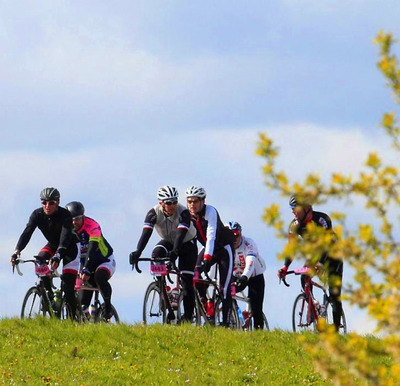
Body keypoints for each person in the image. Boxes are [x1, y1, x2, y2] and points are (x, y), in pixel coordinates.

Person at [129, 185, 198, 322]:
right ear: (161, 203)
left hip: (187, 242)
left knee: (186, 280)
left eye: (174, 202)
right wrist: (138, 252)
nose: (172, 205)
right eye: (168, 203)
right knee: (156, 254)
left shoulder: (183, 213)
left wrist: (175, 253)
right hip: (168, 240)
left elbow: (180, 236)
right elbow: (145, 235)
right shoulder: (153, 214)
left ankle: (188, 317)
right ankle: (163, 289)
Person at [11, 187, 81, 317]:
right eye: (44, 202)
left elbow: (65, 239)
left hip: (70, 247)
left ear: (58, 202)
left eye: (51, 203)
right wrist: (17, 251)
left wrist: (58, 256)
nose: (47, 206)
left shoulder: (65, 215)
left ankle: (73, 321)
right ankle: (49, 293)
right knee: (39, 260)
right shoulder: (37, 215)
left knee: (68, 287)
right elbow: (27, 233)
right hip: (53, 245)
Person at [277, 194, 343, 331]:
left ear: (306, 208)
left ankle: (336, 328)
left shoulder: (322, 220)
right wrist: (285, 266)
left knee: (334, 293)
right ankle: (314, 307)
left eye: (295, 208)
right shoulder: (294, 225)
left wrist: (320, 263)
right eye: (291, 208)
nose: (292, 211)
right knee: (304, 277)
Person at [185, 185, 235, 327]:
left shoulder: (210, 211)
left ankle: (226, 323)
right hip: (207, 248)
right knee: (196, 276)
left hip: (224, 249)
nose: (192, 205)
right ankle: (205, 305)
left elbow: (211, 236)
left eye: (195, 201)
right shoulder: (187, 215)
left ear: (202, 201)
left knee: (224, 288)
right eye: (189, 201)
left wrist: (207, 259)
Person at [65, 201, 116, 320]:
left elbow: (92, 249)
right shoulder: (67, 228)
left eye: (77, 219)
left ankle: (107, 308)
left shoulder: (92, 225)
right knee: (82, 304)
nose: (74, 222)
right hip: (84, 263)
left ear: (83, 216)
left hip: (103, 260)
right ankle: (87, 320)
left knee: (99, 277)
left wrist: (86, 268)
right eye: (71, 219)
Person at [227, 221, 266, 329]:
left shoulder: (249, 243)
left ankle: (259, 335)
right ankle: (235, 319)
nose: (234, 239)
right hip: (237, 274)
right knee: (226, 292)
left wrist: (245, 277)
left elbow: (250, 262)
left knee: (256, 307)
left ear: (241, 234)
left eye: (236, 235)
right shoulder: (224, 244)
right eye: (231, 236)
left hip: (254, 275)